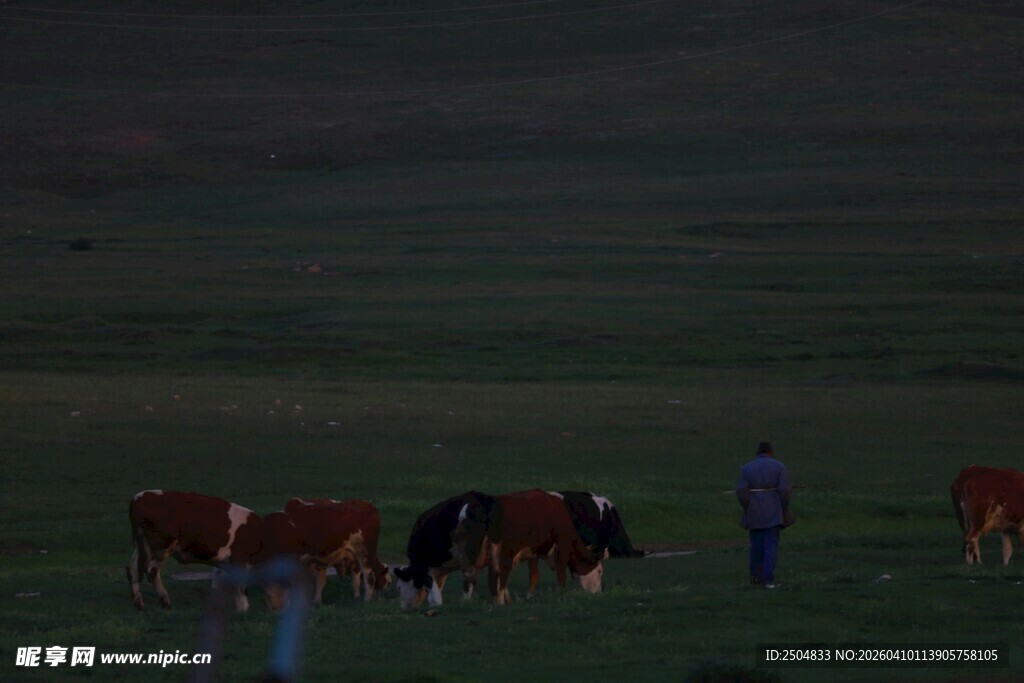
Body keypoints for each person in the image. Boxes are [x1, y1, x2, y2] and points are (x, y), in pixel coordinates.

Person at [736, 441, 791, 588]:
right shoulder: (779, 466)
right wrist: (783, 508)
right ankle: (767, 579)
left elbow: (741, 492)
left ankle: (755, 578)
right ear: (771, 453)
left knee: (756, 547)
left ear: (757, 453)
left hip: (754, 513)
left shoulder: (746, 468)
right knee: (770, 547)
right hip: (773, 512)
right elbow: (785, 491)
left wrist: (748, 506)